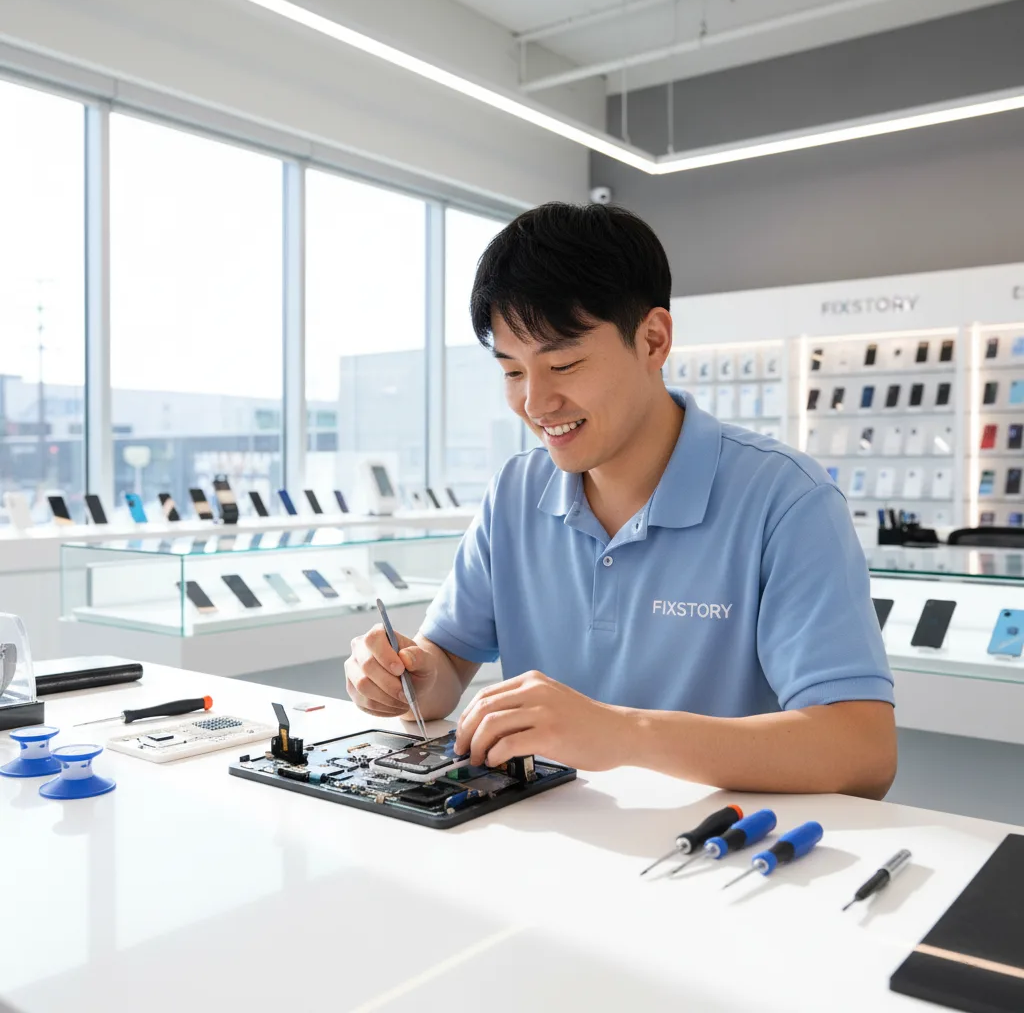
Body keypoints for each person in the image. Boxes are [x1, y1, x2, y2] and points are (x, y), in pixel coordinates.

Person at [345, 203, 896, 799]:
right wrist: (408, 678)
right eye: (511, 371)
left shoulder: (787, 500)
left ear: (653, 340)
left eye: (563, 363)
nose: (535, 402)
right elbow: (448, 665)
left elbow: (862, 751)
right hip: (539, 845)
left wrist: (624, 734)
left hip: (716, 853)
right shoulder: (515, 491)